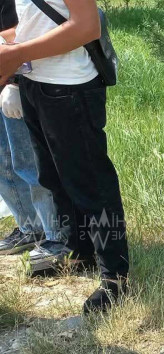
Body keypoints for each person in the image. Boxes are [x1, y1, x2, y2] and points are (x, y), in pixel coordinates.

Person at [0, 0, 130, 313]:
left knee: (92, 186)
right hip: (33, 81)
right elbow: (27, 22)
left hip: (70, 86)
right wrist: (12, 69)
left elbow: (86, 26)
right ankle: (79, 251)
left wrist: (16, 54)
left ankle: (116, 277)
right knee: (54, 178)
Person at [0, 0, 61, 255]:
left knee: (30, 164)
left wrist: (14, 82)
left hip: (19, 78)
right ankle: (31, 228)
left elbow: (24, 29)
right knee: (4, 163)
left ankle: (56, 236)